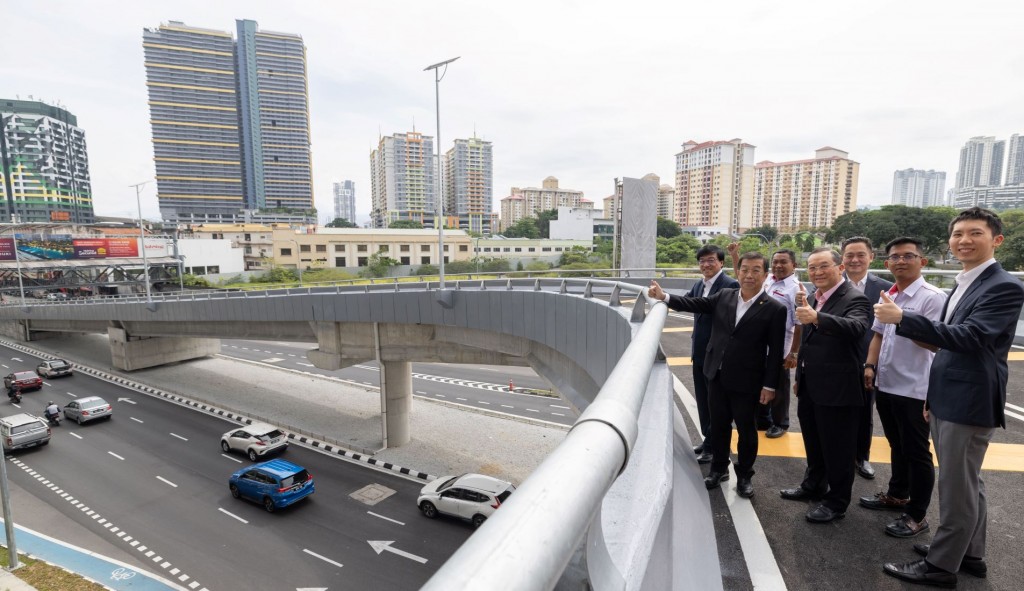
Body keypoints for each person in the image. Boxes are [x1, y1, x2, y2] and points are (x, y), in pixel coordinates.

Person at [877, 208, 1023, 587]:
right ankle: (969, 553)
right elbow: (945, 343)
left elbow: (971, 338)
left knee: (957, 487)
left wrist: (902, 319)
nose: (964, 240)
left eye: (975, 233)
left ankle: (941, 566)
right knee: (969, 482)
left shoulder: (1003, 285)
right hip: (948, 394)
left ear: (997, 240)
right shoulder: (964, 283)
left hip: (969, 399)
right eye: (958, 234)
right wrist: (932, 394)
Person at [650, 252, 786, 497]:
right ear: (738, 272)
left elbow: (775, 352)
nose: (749, 275)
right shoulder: (725, 295)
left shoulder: (774, 309)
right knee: (719, 425)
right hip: (717, 375)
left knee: (746, 431)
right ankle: (719, 469)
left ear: (766, 275)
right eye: (744, 269)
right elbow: (696, 304)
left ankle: (745, 476)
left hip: (747, 380)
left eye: (756, 270)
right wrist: (665, 297)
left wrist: (770, 386)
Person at [859, 237, 944, 540]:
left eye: (909, 256)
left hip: (916, 388)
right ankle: (898, 494)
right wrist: (870, 366)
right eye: (895, 256)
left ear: (923, 261)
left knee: (918, 452)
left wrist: (902, 319)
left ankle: (917, 515)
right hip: (887, 382)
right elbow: (878, 335)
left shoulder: (932, 297)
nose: (900, 261)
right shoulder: (888, 294)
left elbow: (936, 342)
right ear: (887, 263)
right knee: (897, 444)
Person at [779, 247, 871, 523]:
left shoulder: (855, 298)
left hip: (839, 387)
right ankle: (813, 485)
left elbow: (856, 328)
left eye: (823, 267)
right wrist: (800, 377)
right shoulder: (813, 297)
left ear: (840, 268)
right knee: (814, 441)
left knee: (838, 448)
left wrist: (817, 317)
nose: (817, 273)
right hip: (811, 384)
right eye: (812, 268)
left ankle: (836, 501)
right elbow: (808, 342)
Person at [730, 244, 802, 438]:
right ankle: (764, 419)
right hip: (760, 344)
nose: (778, 266)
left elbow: (800, 323)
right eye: (776, 262)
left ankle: (781, 423)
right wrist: (735, 255)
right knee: (762, 381)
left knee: (779, 386)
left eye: (783, 262)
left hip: (781, 345)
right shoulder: (768, 280)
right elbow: (743, 273)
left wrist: (793, 352)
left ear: (794, 265)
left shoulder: (795, 289)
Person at [841, 236, 893, 480]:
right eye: (849, 255)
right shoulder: (828, 284)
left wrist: (872, 363)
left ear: (871, 257)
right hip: (835, 360)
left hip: (866, 360)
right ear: (842, 259)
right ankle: (835, 455)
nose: (855, 260)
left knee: (864, 411)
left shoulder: (884, 287)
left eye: (860, 254)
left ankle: (862, 457)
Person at [686, 245, 739, 464]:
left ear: (721, 263)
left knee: (715, 404)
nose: (705, 265)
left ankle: (716, 448)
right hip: (699, 352)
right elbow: (688, 302)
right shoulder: (700, 284)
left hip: (717, 355)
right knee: (702, 401)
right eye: (702, 261)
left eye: (710, 261)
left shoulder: (730, 285)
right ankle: (708, 440)